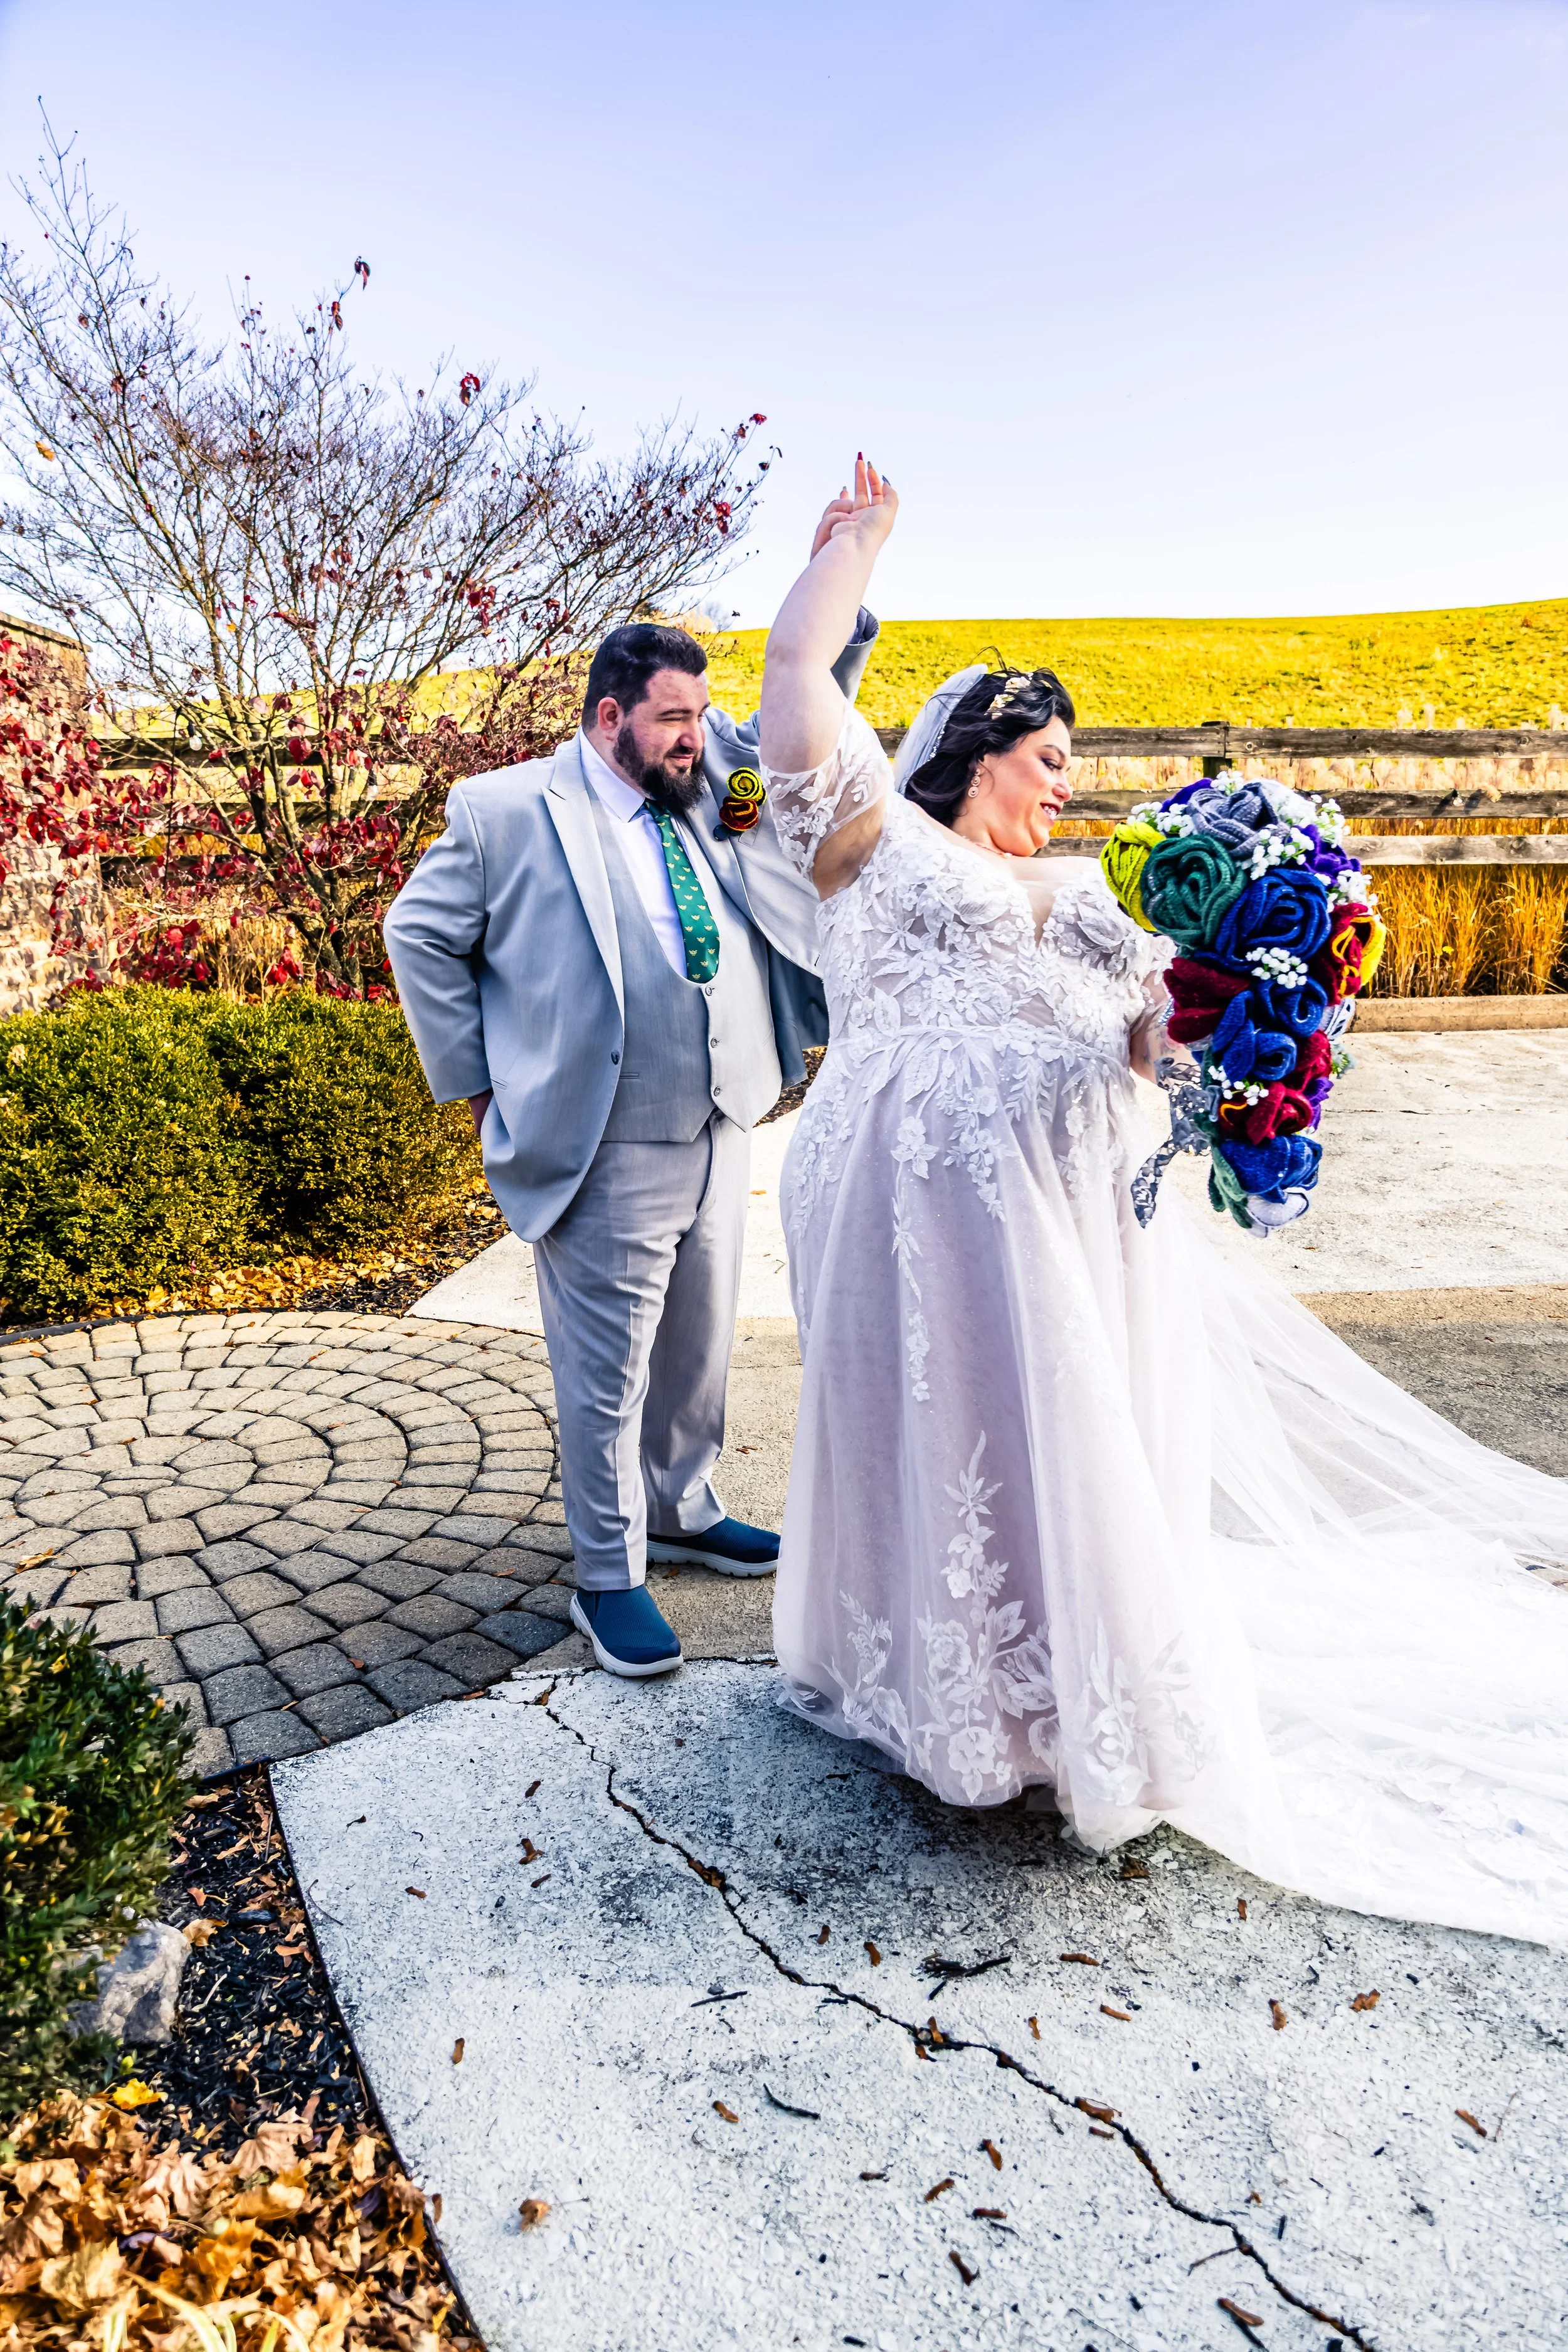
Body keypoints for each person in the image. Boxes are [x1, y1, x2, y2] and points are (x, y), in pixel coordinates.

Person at [755, 458, 1568, 1946]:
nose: (1065, 782)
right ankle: (947, 1696)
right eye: (1046, 756)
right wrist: (854, 550)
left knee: (1063, 1429)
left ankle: (1080, 1701)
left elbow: (1153, 1029)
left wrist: (1246, 1034)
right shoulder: (872, 840)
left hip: (1068, 1214)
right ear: (975, 754)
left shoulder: (1086, 890)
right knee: (932, 1419)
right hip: (904, 1195)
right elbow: (798, 673)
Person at [383, 513, 877, 1679]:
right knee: (606, 1370)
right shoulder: (507, 812)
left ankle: (683, 1504)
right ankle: (607, 1571)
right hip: (603, 1137)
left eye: (701, 715)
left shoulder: (713, 790)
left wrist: (840, 593)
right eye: (674, 717)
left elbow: (796, 739)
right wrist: (483, 1091)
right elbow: (419, 935)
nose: (697, 736)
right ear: (609, 718)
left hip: (722, 1117)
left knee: (699, 1342)